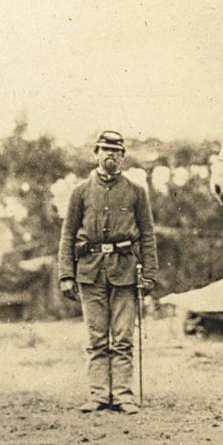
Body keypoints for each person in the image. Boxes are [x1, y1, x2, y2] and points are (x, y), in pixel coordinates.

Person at [57, 131, 159, 414]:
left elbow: (148, 235)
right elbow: (67, 236)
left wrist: (149, 273)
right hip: (89, 272)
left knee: (124, 337)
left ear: (123, 157)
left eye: (116, 151)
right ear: (96, 153)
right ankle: (98, 395)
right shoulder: (79, 192)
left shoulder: (137, 192)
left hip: (125, 271)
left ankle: (124, 395)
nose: (110, 155)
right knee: (96, 338)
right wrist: (66, 275)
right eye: (105, 150)